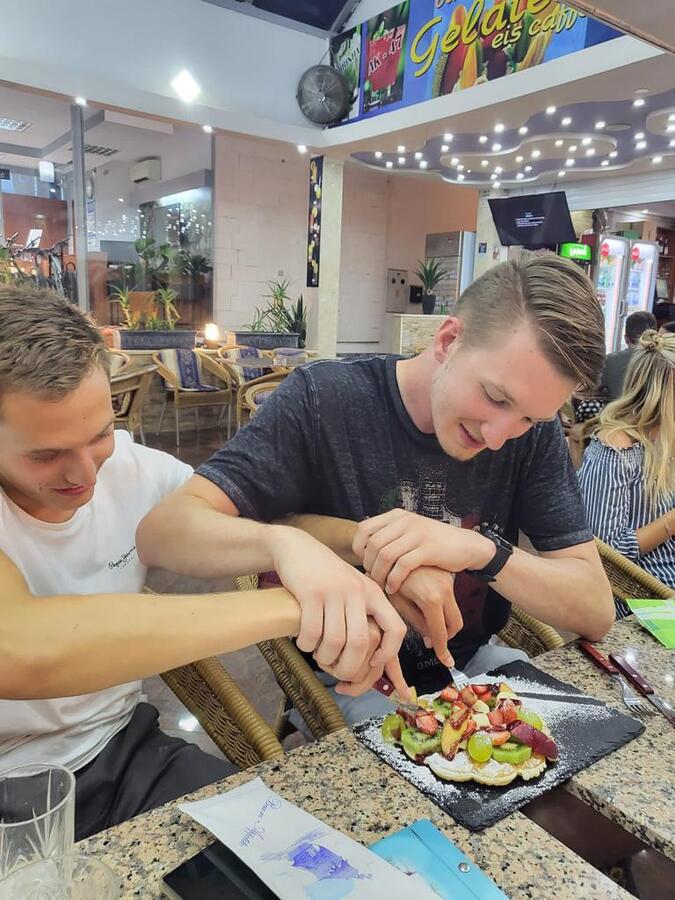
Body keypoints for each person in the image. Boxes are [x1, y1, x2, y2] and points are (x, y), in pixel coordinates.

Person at [137, 254, 615, 725]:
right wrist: (289, 542)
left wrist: (480, 550)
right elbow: (164, 533)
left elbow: (595, 610)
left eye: (529, 417)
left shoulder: (531, 437)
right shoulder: (325, 399)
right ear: (448, 341)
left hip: (471, 662)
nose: (497, 437)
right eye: (494, 397)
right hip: (345, 680)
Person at [0, 285, 392, 840]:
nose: (85, 474)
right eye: (46, 455)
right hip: (10, 782)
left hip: (121, 750)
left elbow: (252, 520)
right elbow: (22, 651)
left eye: (99, 435)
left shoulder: (134, 469)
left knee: (295, 851)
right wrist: (295, 605)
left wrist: (373, 545)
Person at [579, 330, 675, 616]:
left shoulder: (665, 441)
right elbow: (605, 555)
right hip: (643, 600)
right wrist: (670, 523)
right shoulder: (616, 451)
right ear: (664, 395)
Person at [600, 311, 657, 401]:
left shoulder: (610, 361)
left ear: (626, 339)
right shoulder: (664, 361)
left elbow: (593, 390)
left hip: (617, 408)